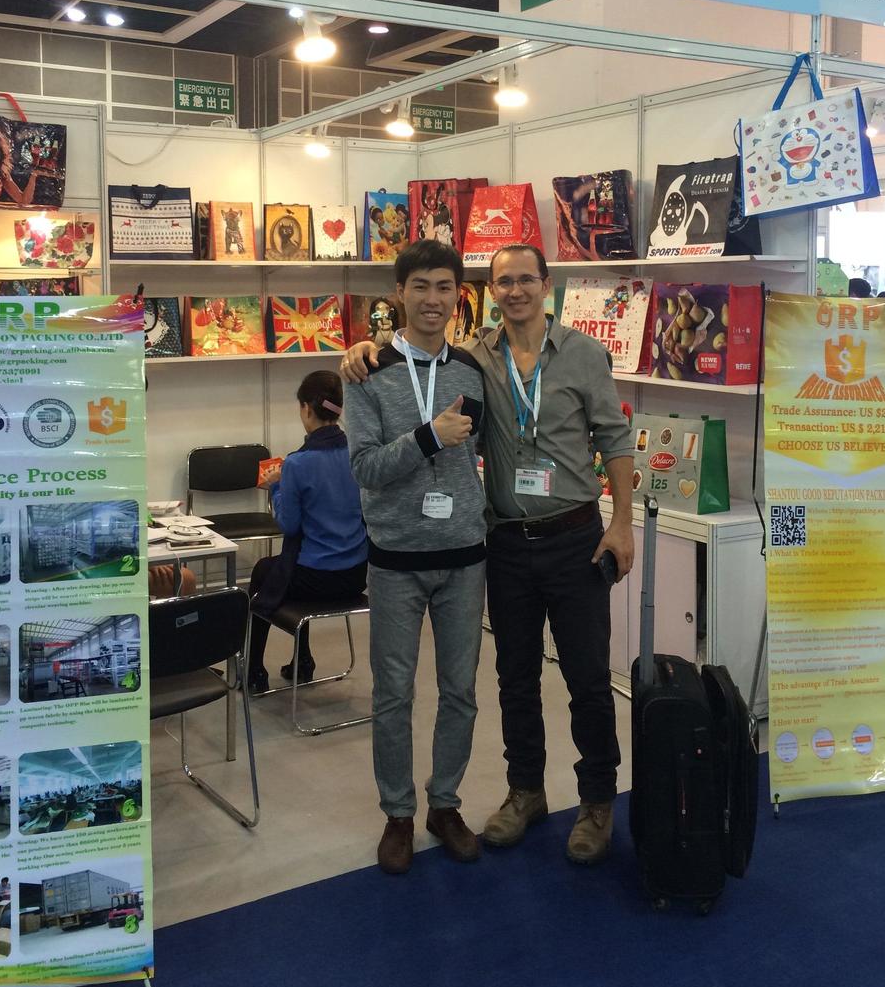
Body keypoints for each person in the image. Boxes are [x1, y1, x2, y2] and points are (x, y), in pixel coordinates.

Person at [343, 242, 635, 866]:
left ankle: (596, 801)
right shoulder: (475, 357)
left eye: (527, 279)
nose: (516, 290)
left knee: (586, 678)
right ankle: (523, 792)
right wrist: (365, 348)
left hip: (571, 537)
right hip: (501, 544)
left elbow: (614, 437)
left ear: (546, 285)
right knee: (513, 680)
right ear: (490, 292)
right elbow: (396, 387)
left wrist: (623, 524)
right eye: (504, 282)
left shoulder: (578, 354)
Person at [344, 239, 487, 875]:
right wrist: (427, 437)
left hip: (465, 556)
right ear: (399, 293)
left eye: (445, 287)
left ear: (460, 295)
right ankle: (398, 814)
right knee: (393, 694)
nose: (434, 299)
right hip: (396, 558)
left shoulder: (473, 370)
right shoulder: (366, 372)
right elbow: (364, 469)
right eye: (421, 286)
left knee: (461, 691)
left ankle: (445, 804)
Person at [247, 371, 367, 692]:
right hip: (356, 575)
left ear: (306, 408)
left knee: (265, 571)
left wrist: (276, 487)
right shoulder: (358, 453)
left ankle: (254, 669)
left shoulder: (297, 464)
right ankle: (302, 660)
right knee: (294, 561)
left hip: (316, 579)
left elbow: (289, 525)